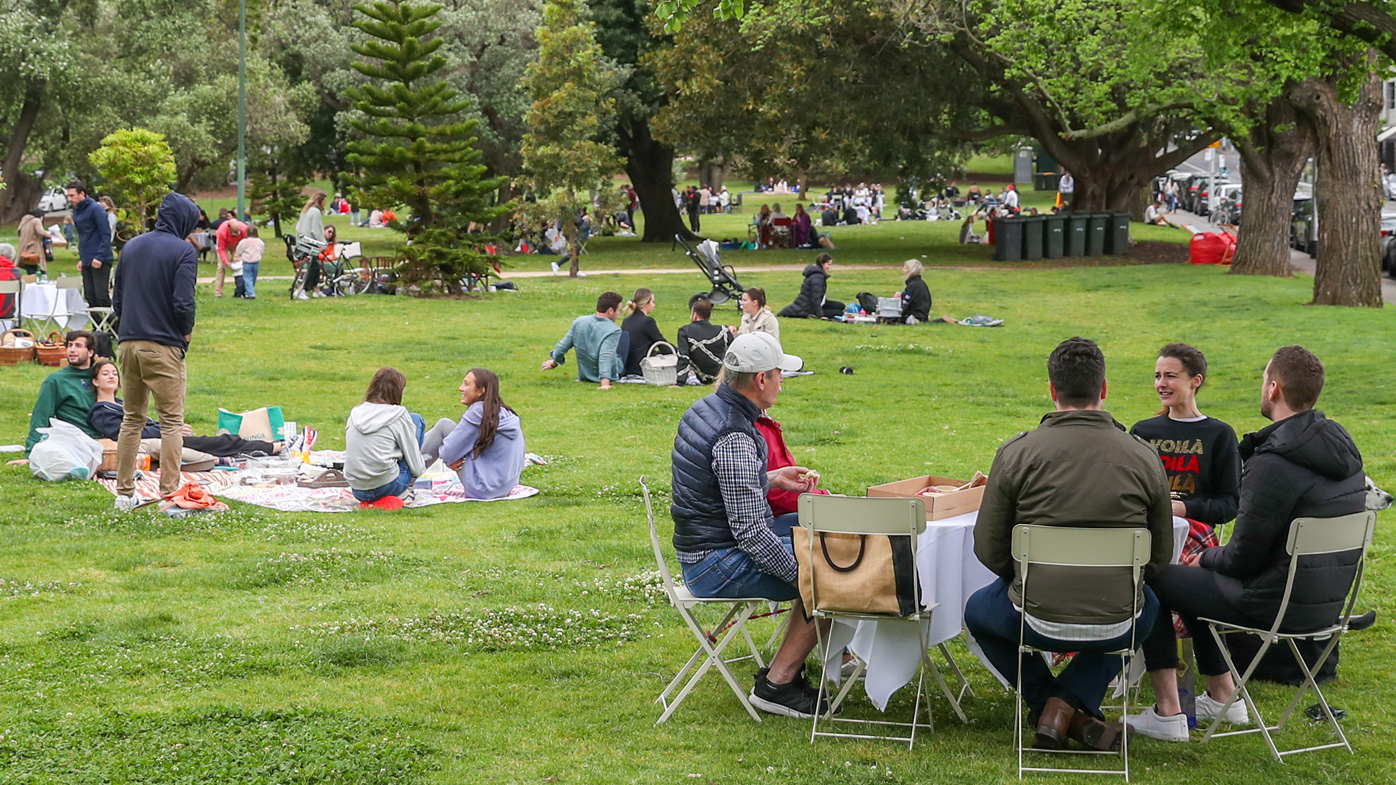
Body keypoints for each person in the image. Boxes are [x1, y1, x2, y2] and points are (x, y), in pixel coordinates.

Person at [1127, 346, 1366, 742]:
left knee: (1156, 576)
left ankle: (1168, 713)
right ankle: (1224, 697)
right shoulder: (1341, 452)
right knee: (1195, 585)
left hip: (1271, 604)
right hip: (1323, 608)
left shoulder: (1274, 462)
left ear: (1273, 389)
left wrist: (1204, 556)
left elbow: (1241, 558)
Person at [965, 337, 1172, 752]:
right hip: (1118, 616)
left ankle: (1052, 705)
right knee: (1147, 605)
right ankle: (1067, 711)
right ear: (1104, 389)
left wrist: (1029, 577)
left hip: (1030, 613)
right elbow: (1159, 556)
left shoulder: (1016, 453)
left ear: (1052, 390)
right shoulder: (1145, 457)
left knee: (976, 611)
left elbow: (988, 549)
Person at [670, 332, 828, 717]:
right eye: (778, 374)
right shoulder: (735, 434)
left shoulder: (708, 408)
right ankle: (778, 684)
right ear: (761, 380)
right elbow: (752, 534)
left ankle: (824, 660)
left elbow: (717, 488)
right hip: (714, 563)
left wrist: (771, 478)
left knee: (827, 534)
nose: (782, 381)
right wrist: (806, 576)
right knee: (833, 573)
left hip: (705, 547)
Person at [111, 192, 200, 508]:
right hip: (162, 346)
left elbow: (117, 301)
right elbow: (183, 302)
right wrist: (185, 333)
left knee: (132, 419)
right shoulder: (183, 252)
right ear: (184, 220)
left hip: (127, 344)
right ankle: (169, 494)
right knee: (171, 422)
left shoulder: (131, 246)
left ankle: (124, 495)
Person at [1129, 344, 1241, 535]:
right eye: (1157, 376)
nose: (1161, 384)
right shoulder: (1143, 431)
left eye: (1170, 376)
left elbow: (1231, 504)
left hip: (1195, 533)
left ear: (1195, 381)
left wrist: (1185, 508)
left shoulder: (1220, 435)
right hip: (1147, 533)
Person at [87, 359, 277, 457]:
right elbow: (129, 433)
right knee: (219, 442)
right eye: (105, 374)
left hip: (165, 436)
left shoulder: (120, 404)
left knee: (212, 443)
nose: (112, 376)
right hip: (156, 442)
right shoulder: (100, 411)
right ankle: (273, 447)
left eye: (114, 373)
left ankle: (267, 446)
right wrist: (169, 430)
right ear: (95, 381)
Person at [421, 368, 526, 500]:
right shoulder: (504, 412)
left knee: (444, 425)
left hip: (482, 488)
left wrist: (452, 458)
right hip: (504, 487)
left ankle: (407, 478)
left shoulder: (478, 411)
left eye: (466, 384)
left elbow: (447, 453)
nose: (460, 388)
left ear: (481, 391)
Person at [344, 367, 427, 504]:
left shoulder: (355, 413)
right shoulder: (398, 414)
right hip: (389, 486)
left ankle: (374, 500)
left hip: (357, 489)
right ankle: (403, 491)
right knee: (416, 420)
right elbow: (417, 468)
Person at [24, 330, 105, 455]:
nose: (72, 350)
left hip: (104, 438)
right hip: (74, 442)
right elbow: (41, 416)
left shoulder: (101, 375)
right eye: (69, 345)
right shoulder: (56, 380)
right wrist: (31, 452)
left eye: (78, 346)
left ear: (90, 352)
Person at [541, 291, 624, 390]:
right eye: (618, 310)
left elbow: (562, 346)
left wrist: (554, 362)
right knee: (626, 339)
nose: (619, 314)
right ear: (610, 310)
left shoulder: (579, 321)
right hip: (607, 374)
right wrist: (605, 383)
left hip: (584, 375)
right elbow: (606, 355)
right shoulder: (613, 329)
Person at [67, 180, 114, 308]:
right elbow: (83, 236)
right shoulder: (77, 211)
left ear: (82, 194)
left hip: (101, 258)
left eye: (72, 195)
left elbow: (105, 234)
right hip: (87, 258)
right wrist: (82, 258)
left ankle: (114, 326)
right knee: (90, 296)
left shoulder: (96, 209)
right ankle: (96, 326)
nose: (69, 199)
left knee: (101, 296)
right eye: (68, 196)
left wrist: (100, 256)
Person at [675, 298, 734, 384]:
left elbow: (684, 357)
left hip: (701, 377)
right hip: (722, 377)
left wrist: (680, 381)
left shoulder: (685, 331)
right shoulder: (723, 331)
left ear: (694, 315)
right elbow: (733, 353)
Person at [778, 253, 844, 319]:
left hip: (814, 303)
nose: (829, 267)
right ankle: (813, 314)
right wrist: (820, 315)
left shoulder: (818, 275)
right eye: (828, 264)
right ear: (822, 264)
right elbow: (815, 298)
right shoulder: (818, 277)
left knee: (841, 306)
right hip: (808, 307)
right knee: (839, 313)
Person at [621, 288, 666, 377]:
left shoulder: (627, 320)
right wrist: (679, 353)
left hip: (629, 365)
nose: (654, 305)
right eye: (652, 302)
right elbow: (661, 343)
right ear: (645, 304)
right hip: (642, 366)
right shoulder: (647, 321)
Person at [213, 218, 247, 298]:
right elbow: (220, 248)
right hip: (224, 245)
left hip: (237, 245)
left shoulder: (244, 228)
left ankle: (242, 290)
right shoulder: (221, 232)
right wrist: (227, 262)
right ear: (229, 228)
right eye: (235, 232)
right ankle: (218, 292)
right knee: (221, 267)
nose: (237, 233)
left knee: (242, 266)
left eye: (238, 232)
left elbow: (246, 242)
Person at [234, 225, 265, 300]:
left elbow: (239, 250)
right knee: (253, 278)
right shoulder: (259, 242)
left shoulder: (244, 242)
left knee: (247, 278)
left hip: (247, 262)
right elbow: (262, 250)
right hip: (256, 262)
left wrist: (239, 255)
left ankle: (250, 294)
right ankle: (249, 292)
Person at [899, 259, 932, 324]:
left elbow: (905, 304)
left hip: (915, 315)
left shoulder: (913, 285)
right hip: (922, 314)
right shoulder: (920, 283)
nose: (902, 270)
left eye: (905, 268)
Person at [19, 209, 47, 275]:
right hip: (34, 246)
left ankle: (31, 276)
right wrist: (50, 234)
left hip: (25, 247)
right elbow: (41, 232)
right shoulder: (36, 221)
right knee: (38, 265)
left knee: (29, 264)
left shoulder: (25, 221)